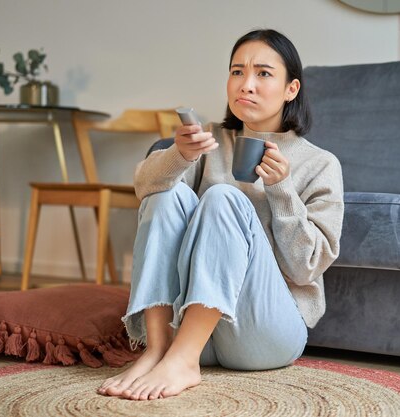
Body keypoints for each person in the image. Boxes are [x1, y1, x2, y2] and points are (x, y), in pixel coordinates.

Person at [98, 29, 344, 401]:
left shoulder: (321, 163)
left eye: (263, 73)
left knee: (223, 198)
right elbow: (143, 189)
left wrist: (281, 191)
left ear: (291, 89)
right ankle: (159, 350)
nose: (246, 84)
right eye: (236, 72)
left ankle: (181, 360)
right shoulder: (210, 140)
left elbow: (306, 268)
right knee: (165, 194)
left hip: (267, 335)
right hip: (194, 332)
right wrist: (178, 155)